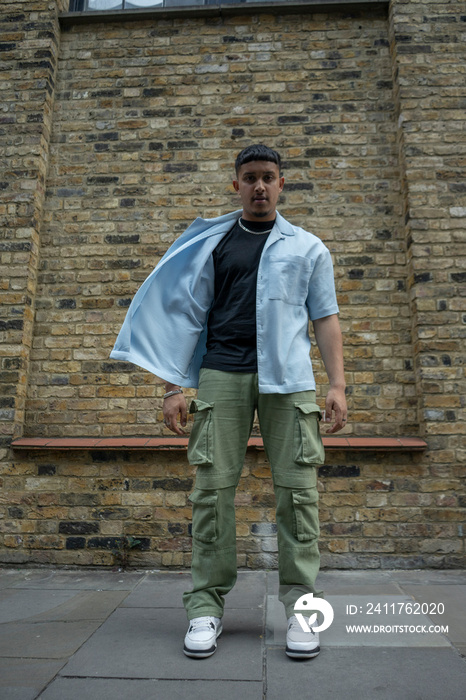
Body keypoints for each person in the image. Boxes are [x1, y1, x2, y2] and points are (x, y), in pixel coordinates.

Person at [110, 144, 347, 660]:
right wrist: (174, 387)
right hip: (221, 374)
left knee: (299, 494)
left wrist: (337, 385)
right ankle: (205, 608)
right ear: (235, 185)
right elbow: (182, 316)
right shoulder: (211, 245)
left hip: (290, 382)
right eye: (249, 178)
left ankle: (303, 608)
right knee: (211, 494)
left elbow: (325, 318)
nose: (259, 186)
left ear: (282, 183)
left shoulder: (309, 248)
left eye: (268, 177)